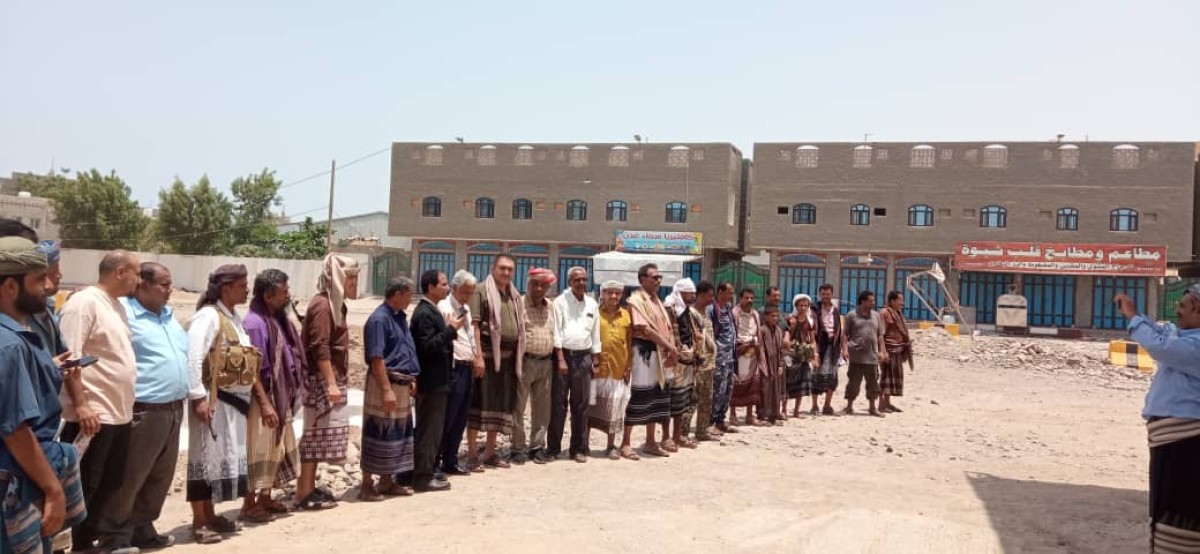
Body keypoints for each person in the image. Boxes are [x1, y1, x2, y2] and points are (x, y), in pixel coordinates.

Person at [0, 237, 87, 554]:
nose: (47, 285)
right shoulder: (8, 344)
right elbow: (15, 430)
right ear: (11, 286)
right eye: (38, 279)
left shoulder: (18, 335)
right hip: (16, 479)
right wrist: (53, 490)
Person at [100, 263, 190, 551]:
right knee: (130, 476)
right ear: (141, 285)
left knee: (159, 476)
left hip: (174, 408)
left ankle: (142, 527)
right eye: (163, 284)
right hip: (144, 409)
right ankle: (115, 537)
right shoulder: (122, 313)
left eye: (170, 283)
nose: (169, 289)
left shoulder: (168, 316)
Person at [58, 250, 141, 552]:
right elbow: (70, 358)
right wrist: (81, 405)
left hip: (118, 414)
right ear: (120, 272)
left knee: (109, 483)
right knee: (83, 484)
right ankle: (73, 545)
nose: (139, 280)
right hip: (93, 415)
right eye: (136, 273)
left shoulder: (117, 306)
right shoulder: (83, 303)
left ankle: (87, 543)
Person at [1116, 289, 1200, 552]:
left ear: (1198, 309)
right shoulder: (1187, 338)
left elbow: (1160, 346)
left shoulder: (1194, 346)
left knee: (1180, 509)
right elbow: (1163, 336)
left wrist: (1132, 317)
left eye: (1184, 305)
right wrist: (1138, 315)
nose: (1178, 309)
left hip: (1186, 444)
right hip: (1173, 442)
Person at [185, 264, 262, 544]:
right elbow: (193, 357)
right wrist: (197, 397)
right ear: (226, 288)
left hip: (234, 406)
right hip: (213, 403)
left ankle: (211, 513)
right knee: (204, 460)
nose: (247, 290)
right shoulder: (208, 317)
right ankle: (199, 520)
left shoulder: (234, 319)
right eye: (242, 285)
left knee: (220, 460)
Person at [242, 270, 305, 520]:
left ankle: (266, 498)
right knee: (257, 448)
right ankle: (249, 503)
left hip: (280, 395)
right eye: (284, 291)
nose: (288, 295)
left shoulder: (276, 319)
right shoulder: (255, 323)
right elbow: (254, 370)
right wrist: (266, 404)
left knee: (275, 449)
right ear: (269, 296)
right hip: (265, 398)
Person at [297, 254, 359, 510]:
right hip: (321, 381)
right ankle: (304, 492)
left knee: (320, 437)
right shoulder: (322, 306)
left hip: (331, 379)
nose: (356, 284)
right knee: (312, 437)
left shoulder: (336, 305)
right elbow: (318, 346)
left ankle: (310, 488)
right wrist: (331, 383)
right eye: (352, 279)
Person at [359, 277, 419, 501]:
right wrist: (386, 390)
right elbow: (376, 357)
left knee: (397, 433)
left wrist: (412, 377)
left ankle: (386, 480)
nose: (411, 299)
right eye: (408, 294)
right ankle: (366, 484)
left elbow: (406, 349)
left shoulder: (400, 318)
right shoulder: (379, 320)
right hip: (384, 382)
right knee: (377, 430)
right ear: (397, 294)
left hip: (401, 383)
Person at [467, 254, 525, 470]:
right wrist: (478, 356)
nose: (506, 273)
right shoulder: (481, 290)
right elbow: (474, 325)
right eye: (502, 268)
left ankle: (491, 452)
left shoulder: (513, 294)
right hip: (487, 359)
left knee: (500, 407)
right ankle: (473, 454)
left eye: (510, 269)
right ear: (493, 269)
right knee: (478, 405)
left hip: (508, 361)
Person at [409, 270, 463, 492]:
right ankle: (422, 476)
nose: (447, 287)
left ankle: (428, 469)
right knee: (428, 429)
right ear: (430, 287)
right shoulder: (424, 313)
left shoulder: (433, 311)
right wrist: (451, 330)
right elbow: (427, 347)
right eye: (442, 283)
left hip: (439, 381)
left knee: (434, 428)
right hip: (431, 382)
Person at [624, 264, 679, 458]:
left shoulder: (657, 301)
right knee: (639, 396)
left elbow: (667, 328)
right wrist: (670, 347)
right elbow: (644, 329)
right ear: (642, 279)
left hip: (660, 355)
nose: (658, 281)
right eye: (654, 277)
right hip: (644, 353)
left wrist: (671, 350)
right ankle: (626, 442)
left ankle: (650, 441)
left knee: (657, 398)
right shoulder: (636, 301)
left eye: (659, 277)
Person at [551, 267, 601, 464]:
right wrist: (561, 359)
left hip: (584, 359)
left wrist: (596, 360)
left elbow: (595, 333)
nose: (581, 283)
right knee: (558, 404)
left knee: (581, 405)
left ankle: (577, 449)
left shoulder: (592, 303)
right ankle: (553, 448)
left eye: (584, 280)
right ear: (569, 281)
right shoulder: (560, 302)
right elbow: (556, 332)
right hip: (564, 357)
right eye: (577, 280)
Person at [436, 270, 481, 477]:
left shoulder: (466, 308)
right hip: (453, 366)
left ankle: (451, 459)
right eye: (464, 292)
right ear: (454, 289)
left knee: (461, 416)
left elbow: (470, 336)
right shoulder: (444, 308)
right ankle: (436, 460)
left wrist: (476, 356)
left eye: (470, 293)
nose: (467, 296)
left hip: (467, 365)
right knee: (448, 416)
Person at [513, 268, 557, 465]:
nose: (539, 289)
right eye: (535, 284)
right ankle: (517, 447)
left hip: (546, 362)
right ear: (528, 285)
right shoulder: (518, 304)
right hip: (524, 362)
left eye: (543, 285)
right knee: (518, 407)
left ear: (548, 287)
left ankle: (537, 447)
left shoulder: (551, 306)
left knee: (542, 408)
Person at [590, 280, 633, 460]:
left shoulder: (626, 316)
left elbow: (630, 343)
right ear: (603, 294)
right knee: (590, 407)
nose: (613, 296)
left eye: (617, 293)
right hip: (596, 369)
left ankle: (610, 446)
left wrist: (628, 366)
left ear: (621, 295)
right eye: (609, 292)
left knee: (615, 409)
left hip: (617, 368)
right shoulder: (594, 314)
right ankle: (583, 445)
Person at [678, 280, 716, 442]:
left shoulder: (706, 314)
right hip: (698, 363)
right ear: (700, 296)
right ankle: (683, 433)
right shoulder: (692, 314)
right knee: (693, 399)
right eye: (709, 296)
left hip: (710, 362)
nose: (712, 299)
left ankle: (701, 430)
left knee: (707, 399)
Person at [665, 278, 698, 450]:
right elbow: (668, 332)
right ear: (681, 292)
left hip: (686, 360)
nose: (692, 296)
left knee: (682, 399)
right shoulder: (669, 308)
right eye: (689, 293)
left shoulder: (685, 309)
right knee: (669, 400)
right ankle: (666, 437)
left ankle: (678, 436)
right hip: (673, 360)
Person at [843, 290, 887, 418]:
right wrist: (844, 350)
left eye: (873, 301)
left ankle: (872, 408)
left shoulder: (876, 316)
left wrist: (882, 351)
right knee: (853, 383)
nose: (873, 303)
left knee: (873, 383)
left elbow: (880, 335)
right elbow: (845, 334)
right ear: (862, 301)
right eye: (870, 301)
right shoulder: (851, 315)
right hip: (856, 355)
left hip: (872, 356)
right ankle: (849, 406)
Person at [708, 282, 738, 436]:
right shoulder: (713, 309)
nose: (730, 296)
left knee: (727, 390)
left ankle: (721, 420)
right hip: (718, 358)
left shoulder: (728, 310)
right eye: (728, 292)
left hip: (729, 358)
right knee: (717, 391)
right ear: (719, 292)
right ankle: (711, 422)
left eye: (731, 293)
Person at [730, 288, 762, 426]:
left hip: (753, 352)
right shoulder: (734, 313)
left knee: (753, 382)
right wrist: (741, 345)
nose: (749, 300)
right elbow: (732, 333)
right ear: (740, 298)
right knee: (737, 382)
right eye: (746, 298)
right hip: (739, 351)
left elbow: (758, 332)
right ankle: (732, 414)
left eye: (751, 298)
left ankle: (749, 415)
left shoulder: (755, 314)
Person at [811, 284, 844, 416]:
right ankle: (814, 405)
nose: (825, 297)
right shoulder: (814, 309)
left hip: (833, 347)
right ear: (820, 295)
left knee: (832, 377)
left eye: (828, 294)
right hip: (820, 346)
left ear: (832, 294)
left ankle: (827, 405)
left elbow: (840, 330)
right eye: (823, 294)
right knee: (816, 376)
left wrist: (843, 348)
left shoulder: (835, 310)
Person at [29, 240, 66, 357]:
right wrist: (51, 367)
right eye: (54, 271)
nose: (60, 275)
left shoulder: (48, 308)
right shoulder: (19, 315)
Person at [879, 291, 913, 414]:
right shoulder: (884, 313)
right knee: (886, 377)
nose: (902, 303)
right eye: (900, 300)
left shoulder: (898, 313)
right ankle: (881, 404)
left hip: (897, 349)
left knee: (892, 378)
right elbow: (881, 334)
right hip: (888, 350)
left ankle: (887, 403)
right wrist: (883, 351)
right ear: (892, 301)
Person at [786, 294, 819, 418]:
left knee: (801, 384)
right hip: (791, 353)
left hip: (804, 355)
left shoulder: (810, 321)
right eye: (801, 305)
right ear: (796, 306)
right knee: (788, 382)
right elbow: (787, 336)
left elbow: (812, 339)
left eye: (806, 305)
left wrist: (814, 356)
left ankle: (796, 411)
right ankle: (783, 409)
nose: (803, 308)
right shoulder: (790, 319)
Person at [756, 306, 787, 425]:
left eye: (776, 316)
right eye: (772, 316)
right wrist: (763, 365)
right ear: (766, 317)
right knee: (765, 388)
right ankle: (763, 414)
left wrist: (780, 364)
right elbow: (761, 349)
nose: (775, 318)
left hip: (776, 363)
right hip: (765, 363)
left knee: (776, 388)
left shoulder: (779, 330)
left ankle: (774, 415)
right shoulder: (762, 330)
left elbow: (781, 349)